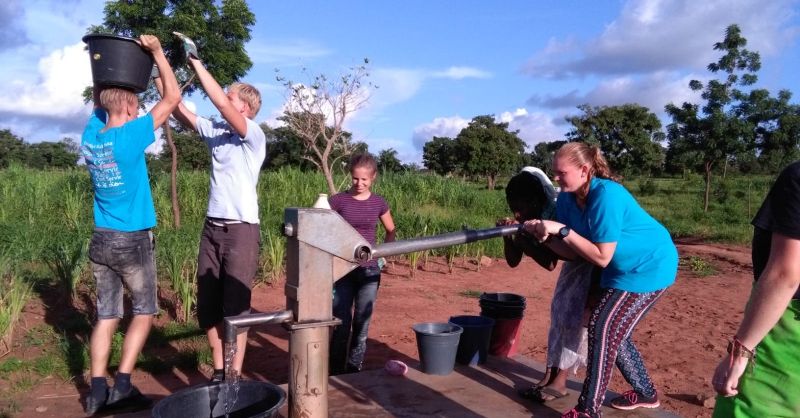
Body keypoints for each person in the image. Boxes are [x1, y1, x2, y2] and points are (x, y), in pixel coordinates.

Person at [525, 142, 678, 418]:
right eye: (554, 173)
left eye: (562, 173)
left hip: (650, 266)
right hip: (620, 271)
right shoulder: (568, 200)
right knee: (613, 330)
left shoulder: (607, 196)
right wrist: (545, 238)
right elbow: (572, 253)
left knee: (603, 325)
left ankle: (587, 410)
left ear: (584, 170)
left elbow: (601, 256)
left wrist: (561, 229)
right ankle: (645, 393)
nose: (556, 180)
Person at [81, 35, 181, 415]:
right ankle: (121, 385)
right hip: (132, 241)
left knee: (106, 316)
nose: (141, 106)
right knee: (144, 311)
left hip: (100, 240)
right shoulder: (129, 137)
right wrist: (156, 55)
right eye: (136, 102)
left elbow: (98, 100)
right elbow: (171, 99)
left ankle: (95, 393)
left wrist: (102, 64)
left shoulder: (92, 138)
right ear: (126, 103)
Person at [158, 42, 267, 382]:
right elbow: (176, 108)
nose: (224, 100)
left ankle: (234, 373)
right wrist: (156, 67)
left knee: (236, 309)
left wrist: (195, 60)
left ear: (245, 108)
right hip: (212, 228)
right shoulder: (216, 133)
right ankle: (220, 370)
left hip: (241, 230)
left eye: (232, 98)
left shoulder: (254, 137)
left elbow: (218, 101)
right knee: (208, 309)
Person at [498, 167, 597, 403]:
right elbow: (513, 261)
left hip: (591, 266)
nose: (517, 213)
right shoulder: (530, 216)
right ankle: (547, 379)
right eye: (513, 208)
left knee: (573, 323)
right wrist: (509, 236)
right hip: (574, 270)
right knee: (559, 320)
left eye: (521, 207)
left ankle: (559, 382)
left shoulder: (552, 213)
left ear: (535, 200)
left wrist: (526, 238)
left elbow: (552, 260)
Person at [711, 161, 800, 417]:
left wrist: (741, 353)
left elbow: (786, 274)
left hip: (786, 339)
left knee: (746, 408)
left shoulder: (797, 177)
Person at [329, 153, 396, 375]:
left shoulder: (378, 202)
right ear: (351, 176)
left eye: (364, 180)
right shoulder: (338, 201)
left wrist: (384, 254)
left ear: (373, 178)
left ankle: (354, 368)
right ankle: (335, 370)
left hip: (369, 271)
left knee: (361, 322)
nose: (359, 184)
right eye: (356, 179)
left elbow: (390, 229)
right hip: (343, 270)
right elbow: (322, 229)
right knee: (341, 322)